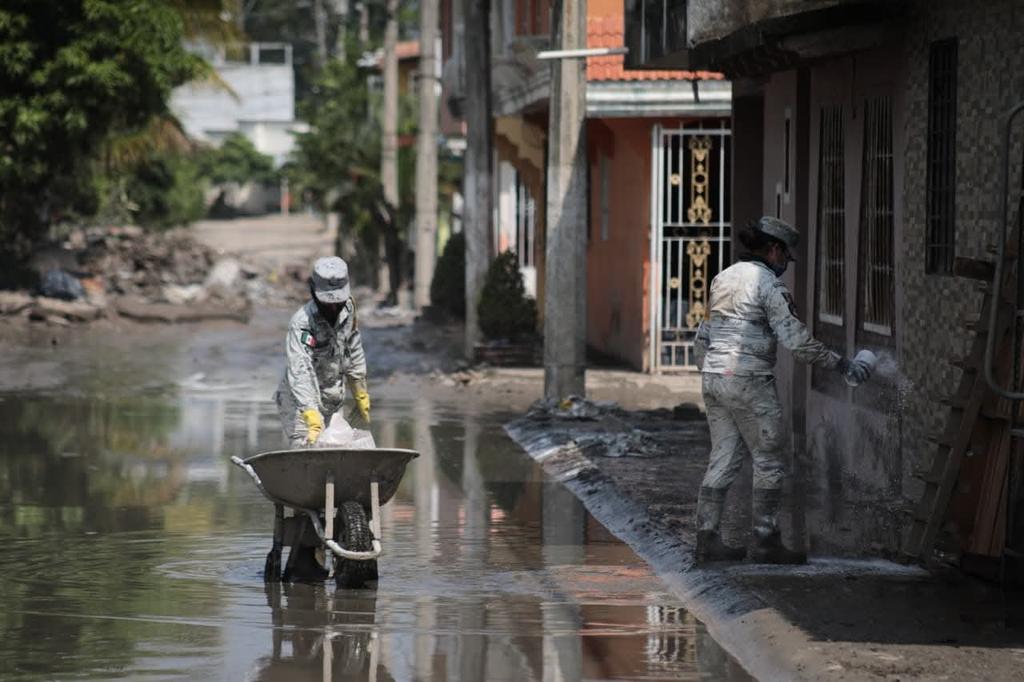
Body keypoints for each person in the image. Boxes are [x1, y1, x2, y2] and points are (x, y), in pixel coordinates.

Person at [692, 217, 873, 564]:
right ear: (774, 249)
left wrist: (713, 370)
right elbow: (797, 341)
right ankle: (765, 541)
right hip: (749, 380)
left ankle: (707, 538)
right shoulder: (768, 286)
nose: (784, 267)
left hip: (714, 377)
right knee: (768, 458)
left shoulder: (723, 278)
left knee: (724, 457)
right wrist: (842, 365)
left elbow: (705, 334)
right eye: (785, 258)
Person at [275, 256, 371, 448]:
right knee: (306, 457)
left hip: (332, 399)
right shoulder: (302, 324)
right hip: (300, 404)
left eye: (339, 301)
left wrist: (359, 389)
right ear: (314, 292)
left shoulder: (348, 308)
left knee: (338, 456)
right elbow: (300, 370)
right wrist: (310, 413)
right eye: (328, 302)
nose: (334, 307)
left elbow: (353, 345)